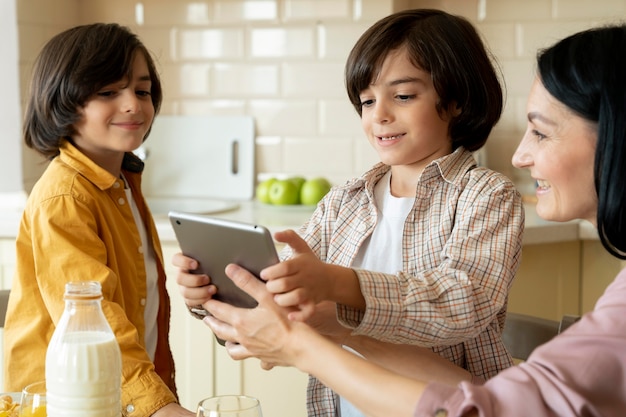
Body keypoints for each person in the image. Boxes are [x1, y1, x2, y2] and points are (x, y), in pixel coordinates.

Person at [184, 24, 626, 417]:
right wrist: (217, 291)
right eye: (367, 100)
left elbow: (463, 301)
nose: (380, 114)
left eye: (403, 96)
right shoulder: (342, 202)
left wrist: (337, 283)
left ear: (454, 100)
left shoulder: (486, 195)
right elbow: (281, 312)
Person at [4, 23, 194, 416]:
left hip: (116, 396)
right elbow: (94, 320)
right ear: (63, 103)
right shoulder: (65, 197)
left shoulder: (122, 182)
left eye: (142, 91)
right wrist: (160, 408)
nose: (133, 105)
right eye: (108, 92)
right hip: (61, 403)